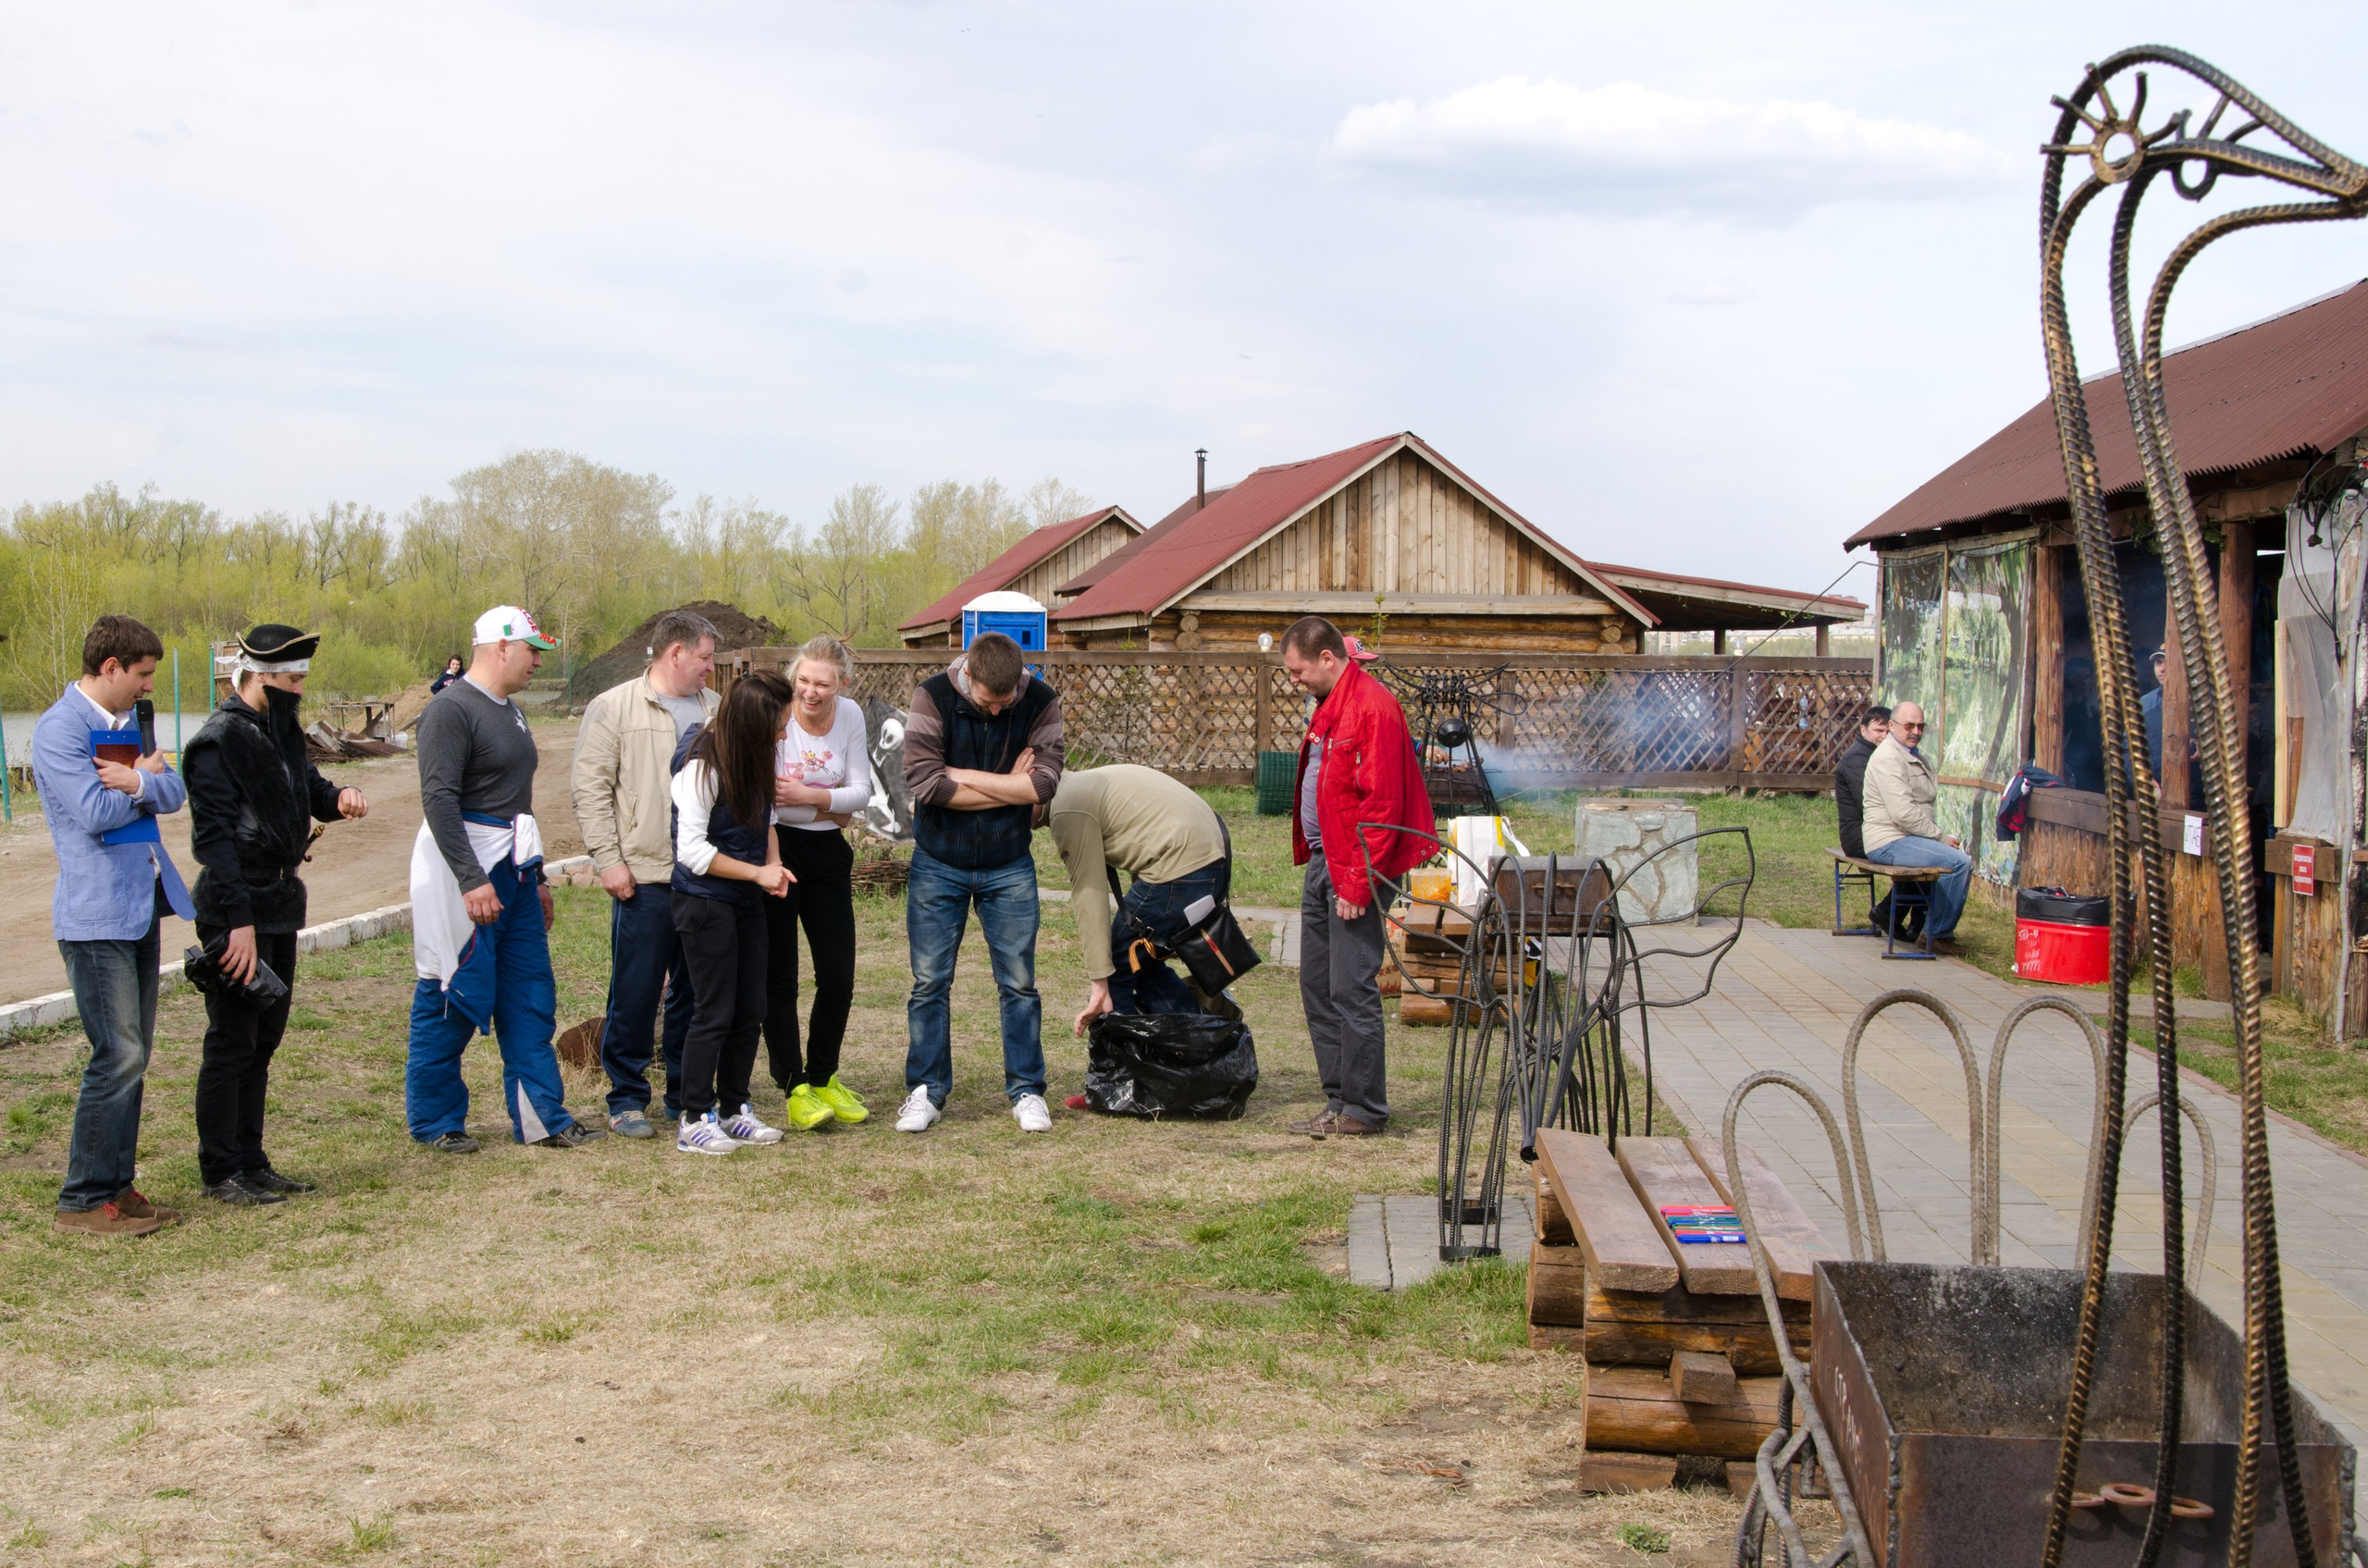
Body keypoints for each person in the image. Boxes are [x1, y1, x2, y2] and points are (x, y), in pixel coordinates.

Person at [181, 624, 370, 1206]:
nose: (298, 690)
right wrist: (236, 922)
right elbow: (213, 840)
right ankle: (221, 1170)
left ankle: (251, 1159)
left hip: (280, 903)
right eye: (291, 680)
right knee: (232, 1041)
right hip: (235, 906)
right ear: (259, 675)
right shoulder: (218, 741)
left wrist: (336, 798)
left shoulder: (279, 728)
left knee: (264, 1041)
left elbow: (305, 787)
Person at [404, 606, 601, 1151]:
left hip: (512, 873)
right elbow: (439, 800)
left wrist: (534, 877)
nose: (539, 661)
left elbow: (517, 804)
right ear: (500, 648)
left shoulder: (509, 710)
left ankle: (542, 1118)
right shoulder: (450, 710)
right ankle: (436, 1121)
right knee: (452, 992)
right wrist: (470, 879)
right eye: (533, 650)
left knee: (529, 995)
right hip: (463, 874)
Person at [32, 614, 194, 1235]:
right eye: (143, 675)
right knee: (117, 1052)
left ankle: (117, 1187)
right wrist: (141, 781)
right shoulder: (58, 730)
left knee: (137, 1053)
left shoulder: (130, 722)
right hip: (94, 914)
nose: (147, 687)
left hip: (139, 906)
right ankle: (81, 1197)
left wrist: (142, 779)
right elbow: (95, 811)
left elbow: (174, 791)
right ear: (110, 668)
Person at [895, 632, 1065, 1135]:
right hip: (938, 859)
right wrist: (1008, 788)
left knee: (1019, 983)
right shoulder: (931, 696)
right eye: (988, 702)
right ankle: (925, 1090)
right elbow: (926, 784)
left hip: (1008, 862)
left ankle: (1027, 1090)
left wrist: (964, 776)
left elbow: (1045, 783)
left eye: (1005, 702)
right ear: (967, 676)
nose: (996, 712)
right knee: (929, 983)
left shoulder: (1041, 700)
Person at [1280, 616, 1434, 1140]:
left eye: (1298, 671)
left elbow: (1383, 804)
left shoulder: (1373, 707)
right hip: (1326, 858)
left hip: (1355, 867)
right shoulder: (1331, 707)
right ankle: (1338, 1100)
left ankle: (1365, 1110)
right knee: (1318, 986)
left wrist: (1356, 883)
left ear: (1327, 657)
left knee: (1351, 988)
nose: (1294, 680)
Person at [570, 608, 718, 1138]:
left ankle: (685, 1093)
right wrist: (609, 860)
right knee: (634, 990)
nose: (710, 667)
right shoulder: (614, 708)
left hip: (702, 877)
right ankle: (626, 1097)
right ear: (675, 653)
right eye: (704, 657)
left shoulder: (716, 710)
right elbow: (590, 789)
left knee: (694, 992)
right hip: (644, 875)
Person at [668, 669, 796, 1154]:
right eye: (779, 726)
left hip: (744, 900)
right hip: (703, 902)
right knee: (713, 1011)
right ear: (751, 724)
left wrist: (773, 864)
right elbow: (692, 852)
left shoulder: (758, 754)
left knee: (751, 1010)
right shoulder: (701, 766)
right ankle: (694, 1115)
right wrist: (756, 875)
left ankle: (733, 1108)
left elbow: (768, 822)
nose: (785, 733)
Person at [764, 636, 874, 1131]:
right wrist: (830, 803)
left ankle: (825, 1075)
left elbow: (862, 794)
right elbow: (767, 801)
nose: (811, 692)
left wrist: (809, 795)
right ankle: (794, 1086)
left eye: (822, 684)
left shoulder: (850, 715)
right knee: (781, 976)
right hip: (776, 850)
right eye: (803, 681)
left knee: (838, 975)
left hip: (829, 851)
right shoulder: (775, 715)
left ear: (841, 684)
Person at [1049, 763, 1231, 1033]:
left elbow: (1089, 894)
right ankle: (1200, 1045)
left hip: (1183, 867)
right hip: (1211, 860)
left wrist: (1100, 980)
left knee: (1118, 967)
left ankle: (1118, 1070)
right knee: (1142, 961)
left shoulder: (1066, 808)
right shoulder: (1077, 785)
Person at [1860, 699, 1973, 954]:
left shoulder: (1909, 754)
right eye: (1909, 725)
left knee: (1955, 860)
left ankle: (1925, 927)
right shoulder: (1889, 757)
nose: (1916, 731)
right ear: (1892, 725)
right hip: (1889, 839)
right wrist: (1941, 837)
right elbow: (1903, 814)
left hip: (1906, 836)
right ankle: (1936, 934)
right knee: (1959, 863)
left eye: (1921, 726)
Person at [1833, 703, 1917, 939]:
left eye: (1887, 731)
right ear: (1863, 730)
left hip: (1876, 828)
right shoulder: (1857, 760)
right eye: (1878, 730)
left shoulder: (1883, 755)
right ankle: (1891, 913)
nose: (1883, 736)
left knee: (1923, 851)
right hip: (1858, 835)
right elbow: (1869, 803)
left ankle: (1905, 918)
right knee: (1918, 852)